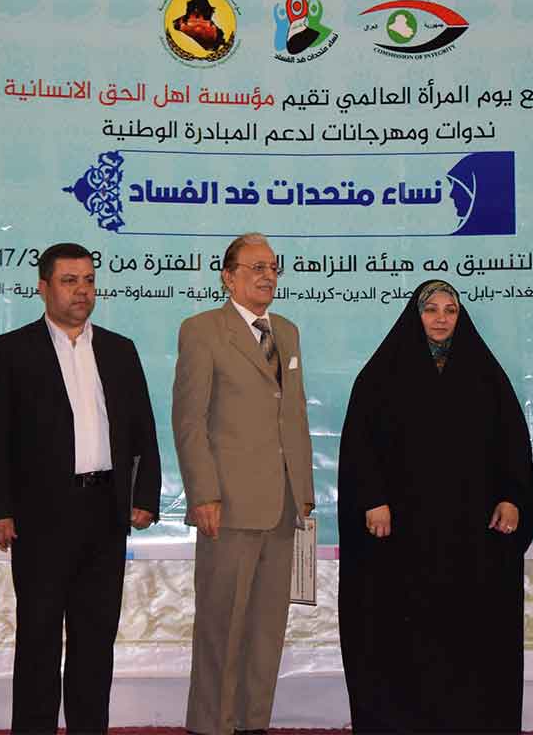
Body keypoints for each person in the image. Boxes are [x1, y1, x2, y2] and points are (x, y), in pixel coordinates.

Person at [0, 242, 162, 734]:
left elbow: (142, 429)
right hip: (39, 518)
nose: (82, 291)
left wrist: (144, 496)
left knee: (95, 640)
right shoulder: (11, 351)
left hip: (105, 512)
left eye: (89, 280)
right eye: (69, 281)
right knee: (38, 639)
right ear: (43, 287)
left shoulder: (119, 350)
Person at [337, 279, 533, 734]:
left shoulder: (486, 375)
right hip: (402, 536)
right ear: (416, 315)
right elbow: (361, 445)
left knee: (468, 633)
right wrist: (373, 500)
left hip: (470, 537)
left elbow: (511, 444)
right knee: (401, 632)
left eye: (450, 310)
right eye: (431, 309)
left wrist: (511, 498)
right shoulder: (382, 374)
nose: (442, 318)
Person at [173, 232, 314, 735]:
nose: (267, 276)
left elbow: (293, 416)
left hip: (282, 505)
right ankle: (212, 725)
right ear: (228, 277)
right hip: (228, 505)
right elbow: (190, 420)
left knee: (266, 628)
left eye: (273, 267)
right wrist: (203, 494)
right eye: (256, 267)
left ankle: (254, 722)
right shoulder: (202, 330)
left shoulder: (287, 332)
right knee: (222, 625)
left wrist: (304, 493)